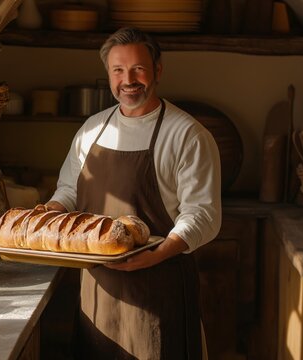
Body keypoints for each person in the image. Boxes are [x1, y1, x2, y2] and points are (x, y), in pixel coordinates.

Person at [45, 27, 222, 359]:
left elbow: (202, 214)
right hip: (97, 292)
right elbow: (70, 189)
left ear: (158, 70)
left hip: (158, 289)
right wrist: (50, 210)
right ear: (109, 75)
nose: (128, 79)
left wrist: (156, 254)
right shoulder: (92, 129)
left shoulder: (186, 135)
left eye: (138, 68)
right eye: (118, 70)